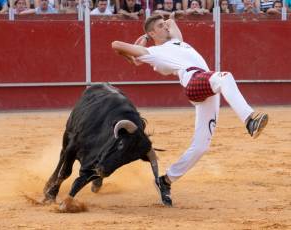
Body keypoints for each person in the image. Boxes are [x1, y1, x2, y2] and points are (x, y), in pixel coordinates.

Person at [111, 14, 269, 206]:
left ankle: (165, 180)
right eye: (160, 26)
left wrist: (165, 21)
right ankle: (249, 120)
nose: (166, 27)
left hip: (209, 88)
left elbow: (171, 22)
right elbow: (116, 44)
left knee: (201, 146)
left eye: (164, 25)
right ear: (152, 33)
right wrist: (144, 38)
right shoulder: (153, 52)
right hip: (195, 82)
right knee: (225, 77)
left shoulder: (177, 41)